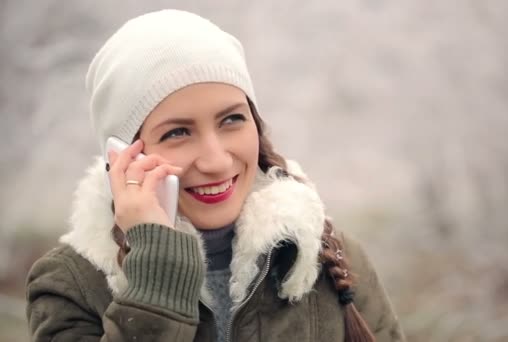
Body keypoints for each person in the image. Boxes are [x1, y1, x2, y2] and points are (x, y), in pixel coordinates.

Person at [25, 9, 405, 342]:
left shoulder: (327, 257)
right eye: (178, 132)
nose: (217, 161)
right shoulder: (69, 284)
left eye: (232, 120)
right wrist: (156, 271)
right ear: (121, 158)